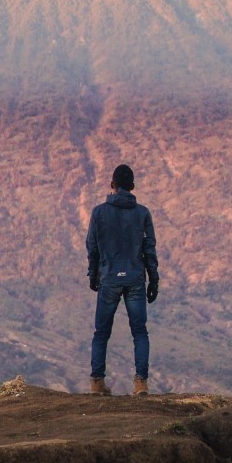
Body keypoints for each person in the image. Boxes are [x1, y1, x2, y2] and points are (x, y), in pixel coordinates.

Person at [86, 164, 159, 396]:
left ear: (112, 185)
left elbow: (92, 246)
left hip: (108, 279)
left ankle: (97, 383)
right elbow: (149, 249)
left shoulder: (99, 213)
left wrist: (93, 273)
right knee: (139, 332)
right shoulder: (142, 213)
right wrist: (153, 279)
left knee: (101, 333)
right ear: (133, 187)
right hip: (136, 279)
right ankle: (141, 384)